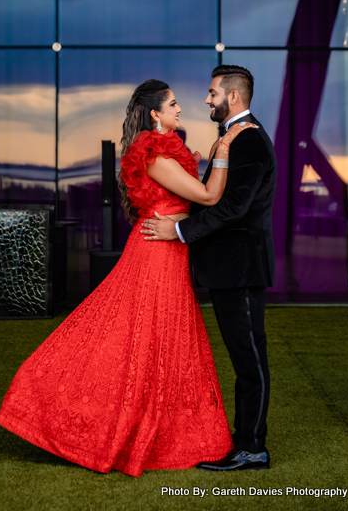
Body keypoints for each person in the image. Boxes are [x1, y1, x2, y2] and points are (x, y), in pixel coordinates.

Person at [0, 79, 256, 477]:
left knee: (156, 339)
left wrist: (185, 209)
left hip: (166, 249)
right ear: (156, 114)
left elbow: (182, 205)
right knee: (135, 336)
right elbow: (208, 199)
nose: (180, 109)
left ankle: (153, 426)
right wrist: (223, 151)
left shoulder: (164, 151)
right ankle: (51, 398)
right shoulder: (152, 151)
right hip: (156, 254)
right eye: (172, 104)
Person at [141, 66, 277, 471]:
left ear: (232, 97)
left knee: (249, 357)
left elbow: (234, 207)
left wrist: (180, 230)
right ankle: (244, 441)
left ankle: (253, 447)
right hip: (227, 268)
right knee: (242, 354)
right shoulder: (230, 137)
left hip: (241, 268)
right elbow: (216, 199)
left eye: (212, 92)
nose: (206, 99)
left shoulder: (248, 139)